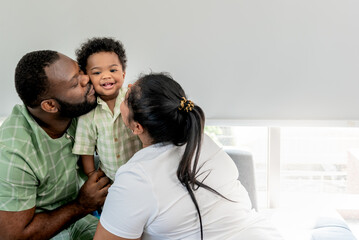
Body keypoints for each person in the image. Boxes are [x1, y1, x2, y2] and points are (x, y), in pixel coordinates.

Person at [94, 73, 282, 239]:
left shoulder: (135, 178)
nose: (126, 88)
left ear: (137, 127)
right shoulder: (202, 140)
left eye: (126, 98)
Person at [0, 50, 111, 240]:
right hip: (43, 227)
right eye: (75, 83)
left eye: (81, 71)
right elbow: (14, 235)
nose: (87, 79)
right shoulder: (14, 153)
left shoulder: (81, 108)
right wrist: (81, 205)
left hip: (79, 216)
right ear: (50, 106)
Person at [73, 37, 142, 181]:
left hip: (141, 171)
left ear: (123, 74)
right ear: (87, 78)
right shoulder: (88, 113)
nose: (106, 76)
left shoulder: (133, 99)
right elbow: (86, 149)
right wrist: (93, 176)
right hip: (111, 178)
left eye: (112, 70)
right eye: (97, 72)